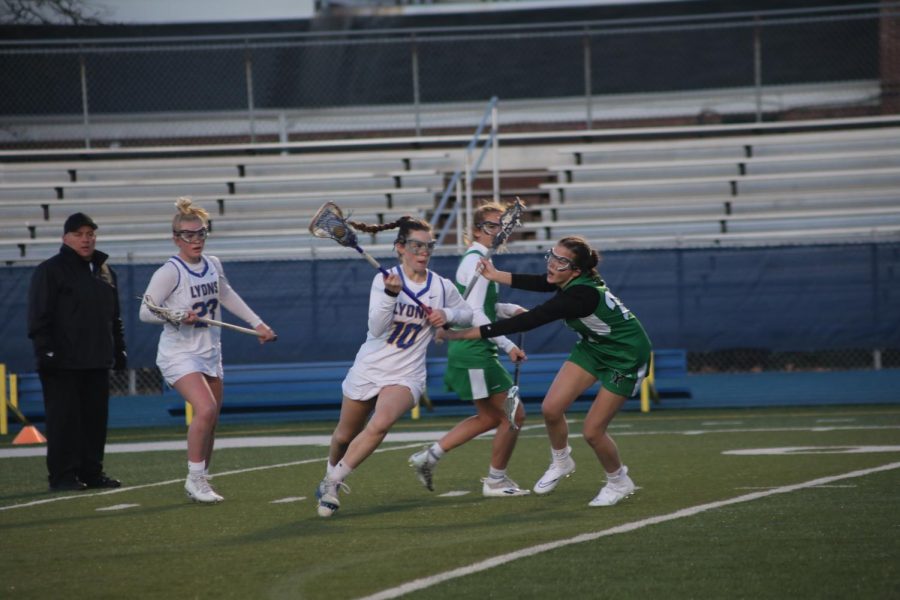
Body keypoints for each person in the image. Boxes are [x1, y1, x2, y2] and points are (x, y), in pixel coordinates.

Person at [438, 236, 652, 507]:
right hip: (594, 347)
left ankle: (619, 481)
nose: (552, 264)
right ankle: (562, 461)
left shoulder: (579, 295)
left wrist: (462, 335)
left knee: (593, 431)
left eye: (561, 261)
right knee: (551, 408)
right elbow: (540, 281)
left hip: (626, 355)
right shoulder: (568, 280)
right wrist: (495, 275)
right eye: (552, 255)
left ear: (576, 271)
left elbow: (529, 320)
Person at [315, 216, 473, 518]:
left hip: (407, 373)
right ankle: (329, 475)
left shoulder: (441, 285)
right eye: (416, 245)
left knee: (381, 423)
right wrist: (390, 295)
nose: (423, 251)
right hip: (370, 367)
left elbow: (467, 314)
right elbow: (376, 328)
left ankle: (333, 481)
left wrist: (446, 313)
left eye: (429, 246)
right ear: (400, 247)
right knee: (344, 436)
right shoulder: (384, 280)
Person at [139, 197, 276, 503]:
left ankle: (200, 479)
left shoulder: (213, 264)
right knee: (206, 409)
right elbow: (145, 312)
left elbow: (226, 294)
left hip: (210, 351)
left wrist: (258, 324)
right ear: (177, 239)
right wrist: (174, 315)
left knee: (212, 419)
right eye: (189, 235)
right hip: (179, 352)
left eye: (200, 233)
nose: (196, 240)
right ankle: (195, 478)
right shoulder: (170, 271)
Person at [408, 202, 529, 497]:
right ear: (476, 230)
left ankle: (429, 457)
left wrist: (509, 309)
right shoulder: (475, 259)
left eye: (500, 225)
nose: (497, 231)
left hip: (472, 349)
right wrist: (508, 343)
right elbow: (475, 312)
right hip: (475, 350)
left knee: (490, 418)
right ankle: (495, 481)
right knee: (514, 416)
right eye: (490, 226)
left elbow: (478, 306)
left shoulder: (481, 258)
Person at [27, 212, 127, 492]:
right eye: (79, 234)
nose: (86, 240)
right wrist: (45, 352)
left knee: (95, 422)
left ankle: (92, 472)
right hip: (62, 363)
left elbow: (114, 318)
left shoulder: (106, 272)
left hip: (96, 360)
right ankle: (62, 476)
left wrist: (119, 349)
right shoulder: (50, 270)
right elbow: (39, 316)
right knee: (64, 422)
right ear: (65, 238)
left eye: (90, 234)